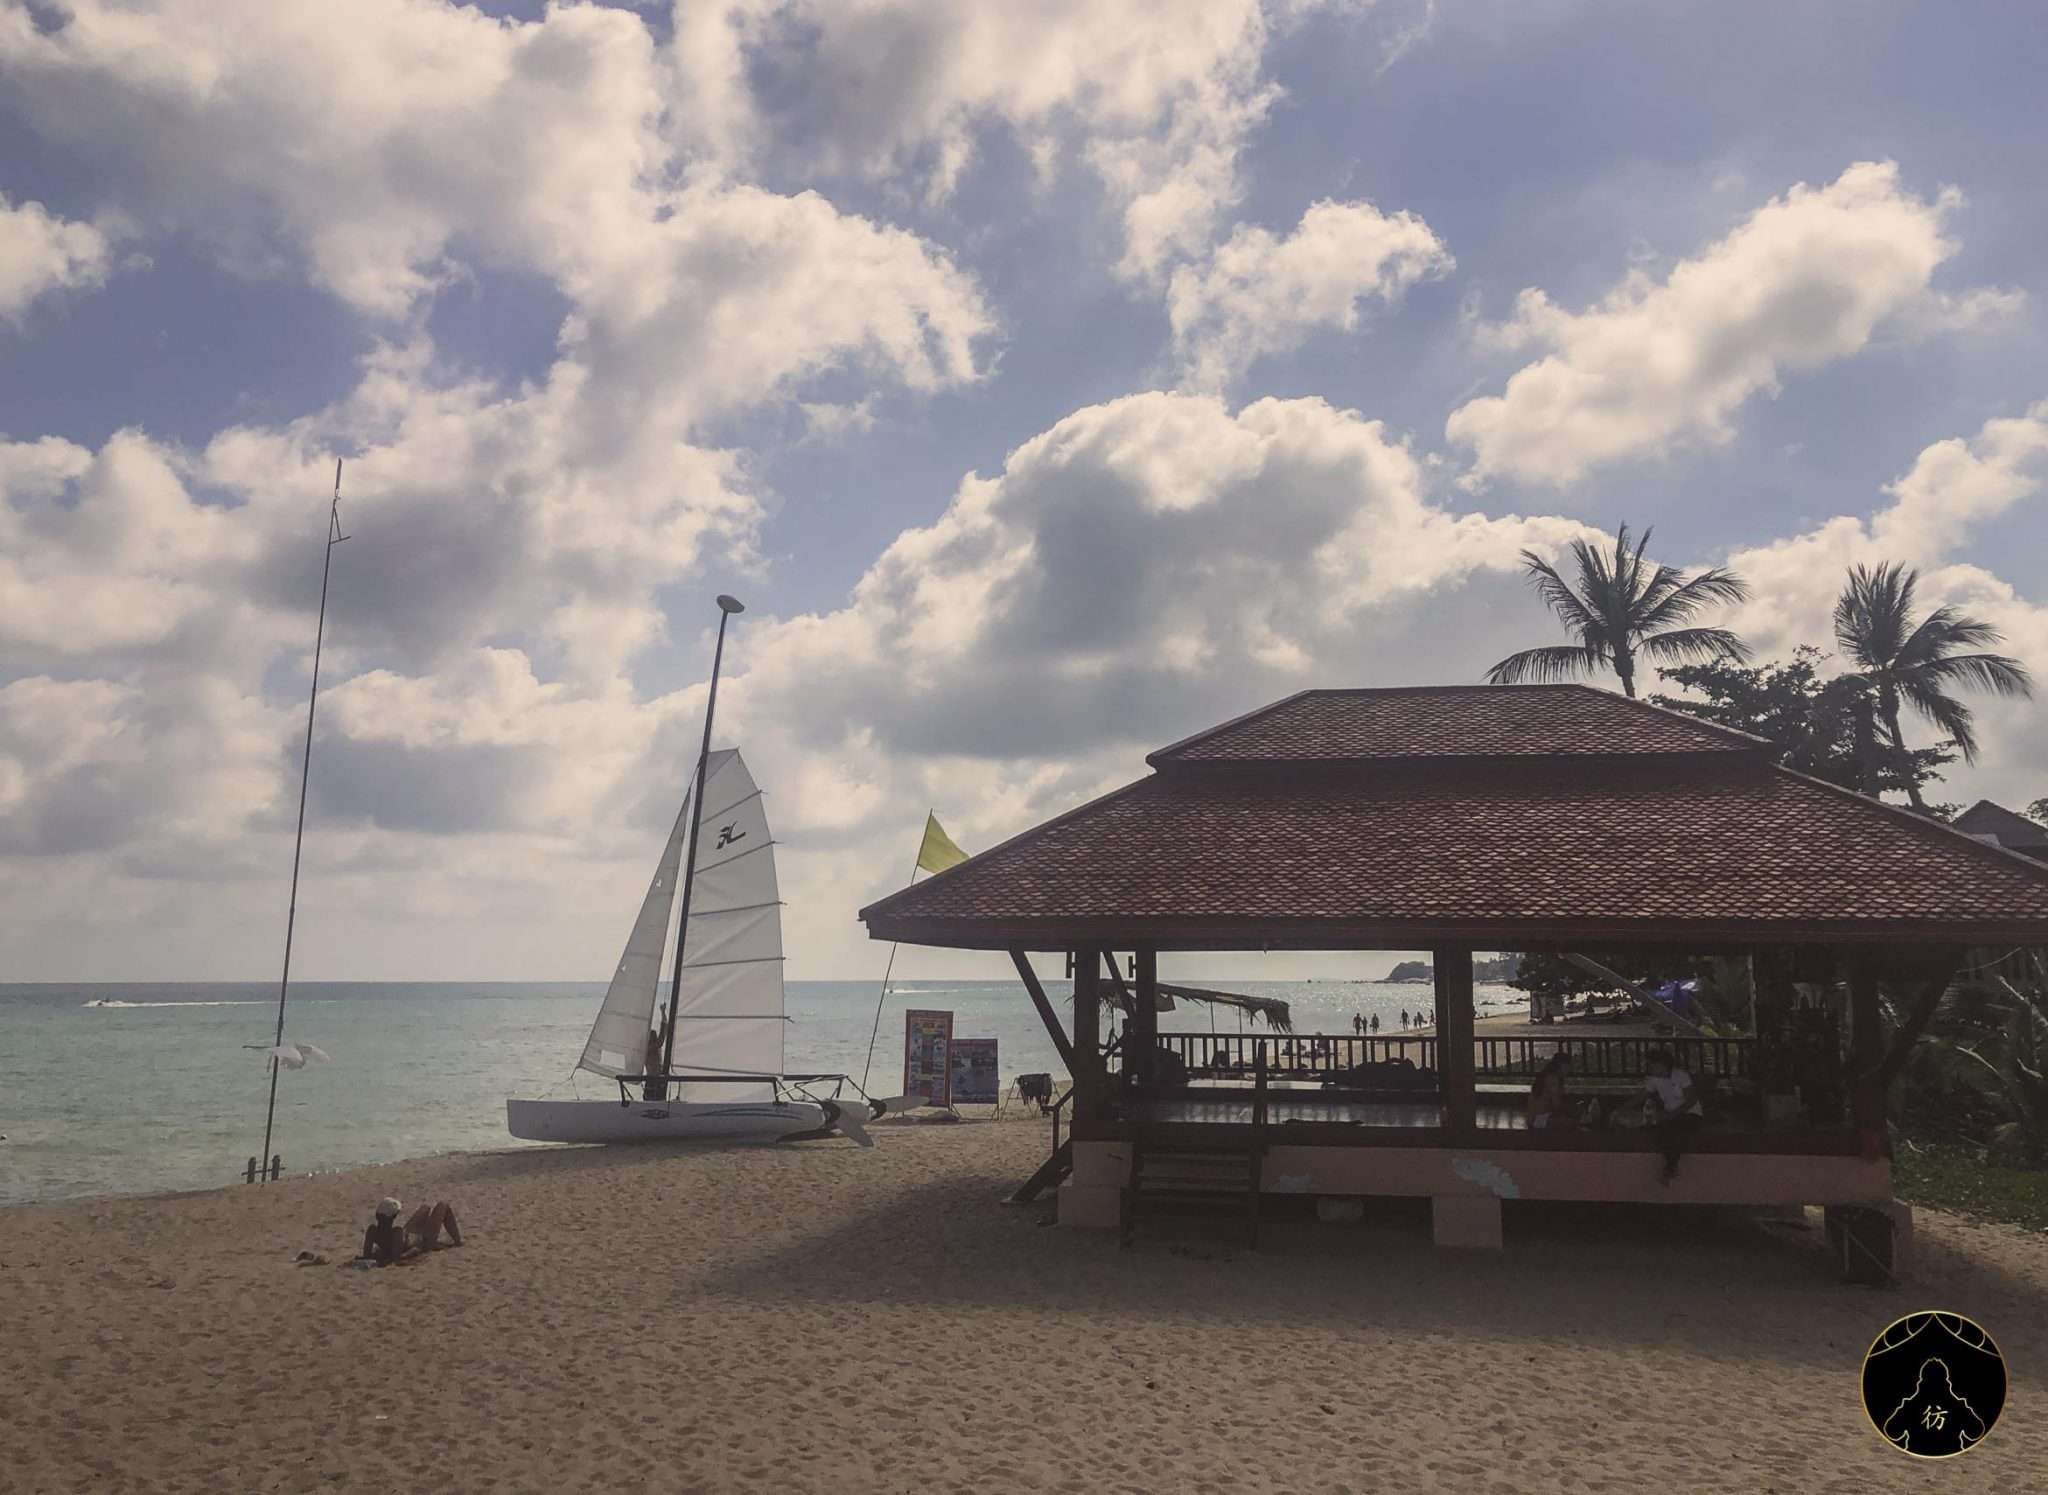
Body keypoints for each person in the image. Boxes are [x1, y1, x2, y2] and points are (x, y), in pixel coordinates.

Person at [1643, 1047, 1704, 1183]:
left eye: (1650, 1064)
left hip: (1690, 1114)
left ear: (1660, 1064)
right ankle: (1671, 1165)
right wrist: (1623, 1108)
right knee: (1663, 1130)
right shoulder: (1653, 1079)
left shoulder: (1680, 1075)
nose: (1648, 1067)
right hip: (1670, 1116)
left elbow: (1691, 1100)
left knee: (1674, 1129)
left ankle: (1671, 1166)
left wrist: (1672, 1115)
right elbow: (1643, 1095)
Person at [358, 1197, 463, 1265]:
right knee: (443, 1205)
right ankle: (458, 1241)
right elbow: (398, 1258)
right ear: (393, 1217)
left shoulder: (373, 1230)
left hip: (410, 1235)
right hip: (424, 1240)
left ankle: (456, 1240)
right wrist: (415, 1251)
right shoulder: (396, 1232)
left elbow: (367, 1255)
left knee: (425, 1208)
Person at [1527, 1051, 1571, 1130]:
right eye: (1567, 1066)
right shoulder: (1553, 1079)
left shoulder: (1547, 1075)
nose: (1568, 1070)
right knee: (1571, 1123)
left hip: (1537, 1117)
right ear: (1561, 1066)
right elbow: (1556, 1105)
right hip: (1539, 1120)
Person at [644, 1005, 669, 1102]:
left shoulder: (654, 1047)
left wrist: (663, 1013)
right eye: (652, 1035)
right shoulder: (648, 1049)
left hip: (658, 1079)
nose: (654, 1035)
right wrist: (662, 1012)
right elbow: (662, 1038)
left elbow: (663, 1032)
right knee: (651, 1101)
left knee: (659, 1100)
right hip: (652, 1080)